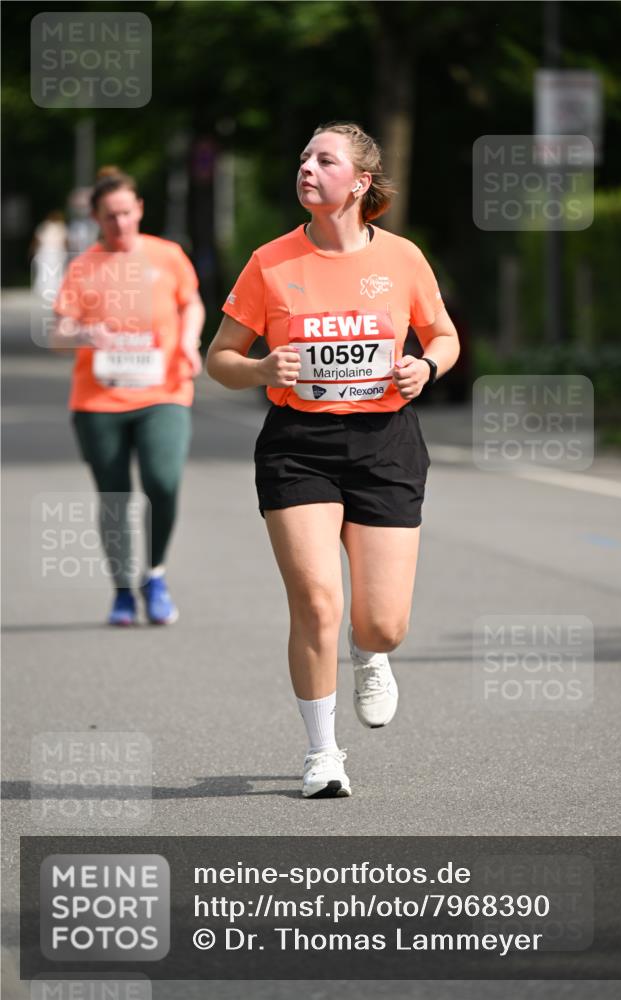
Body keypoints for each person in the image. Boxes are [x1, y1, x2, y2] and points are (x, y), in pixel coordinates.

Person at [206, 122, 460, 797]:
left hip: (386, 443)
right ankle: (322, 755)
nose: (307, 168)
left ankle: (370, 653)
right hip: (299, 447)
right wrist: (261, 366)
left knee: (381, 621)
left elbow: (443, 334)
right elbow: (219, 361)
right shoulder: (270, 262)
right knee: (317, 602)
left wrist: (425, 367)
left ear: (360, 182)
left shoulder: (402, 259)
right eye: (303, 158)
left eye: (324, 160)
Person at [51, 166, 205, 626]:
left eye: (126, 212)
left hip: (165, 390)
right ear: (97, 218)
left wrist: (189, 341)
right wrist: (84, 332)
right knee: (114, 495)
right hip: (99, 401)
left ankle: (154, 574)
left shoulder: (168, 255)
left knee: (163, 481)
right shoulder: (84, 267)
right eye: (110, 216)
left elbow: (191, 302)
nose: (120, 223)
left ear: (139, 209)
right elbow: (59, 333)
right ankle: (122, 591)